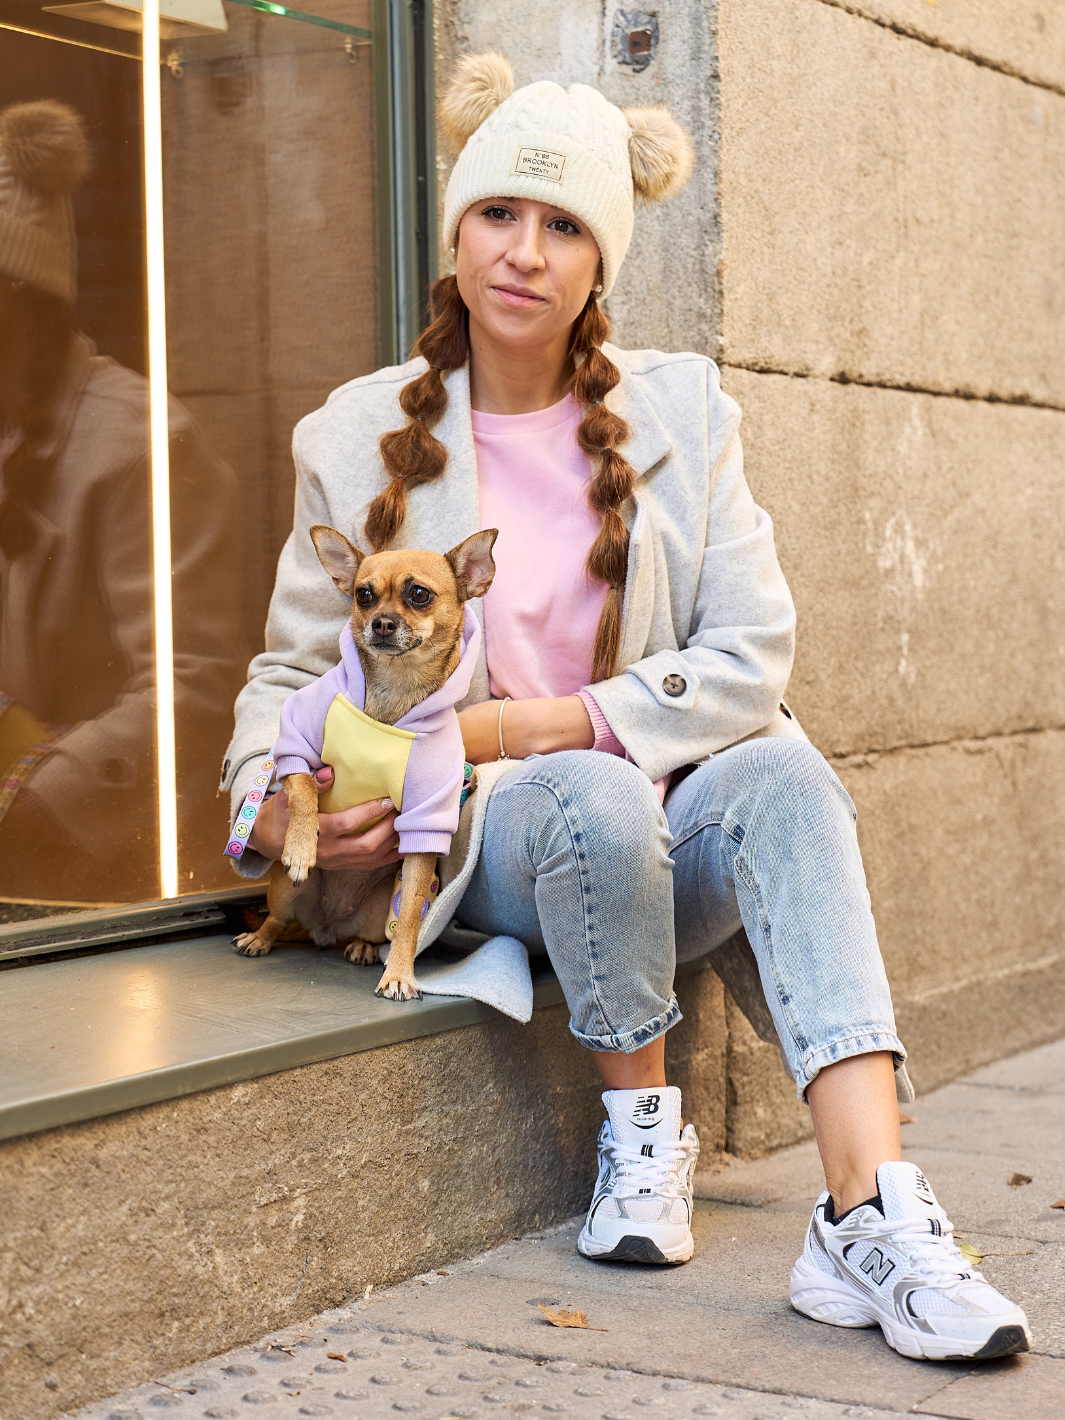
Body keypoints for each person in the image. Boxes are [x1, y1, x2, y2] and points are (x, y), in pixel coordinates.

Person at [224, 54, 1030, 1360]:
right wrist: (271, 801)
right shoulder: (354, 434)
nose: (525, 252)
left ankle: (868, 1211)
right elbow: (282, 678)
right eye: (498, 214)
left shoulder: (682, 410)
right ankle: (641, 1138)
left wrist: (525, 720)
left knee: (784, 773)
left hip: (667, 830)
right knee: (589, 792)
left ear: (602, 258)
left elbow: (749, 652)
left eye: (563, 226)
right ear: (455, 233)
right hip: (485, 842)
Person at [0, 100, 240, 906]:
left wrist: (34, 800)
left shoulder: (138, 442)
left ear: (28, 306)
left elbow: (191, 689)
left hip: (96, 868)